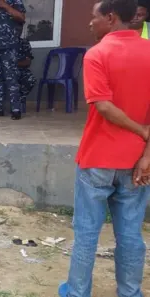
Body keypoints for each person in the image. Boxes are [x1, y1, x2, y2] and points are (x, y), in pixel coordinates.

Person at [57, 1, 150, 297]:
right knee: (131, 235)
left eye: (93, 17)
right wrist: (147, 153)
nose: (89, 23)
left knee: (86, 234)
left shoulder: (97, 54)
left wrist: (141, 130)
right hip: (137, 162)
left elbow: (103, 105)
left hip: (97, 159)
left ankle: (76, 292)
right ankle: (130, 292)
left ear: (110, 18)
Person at [16, 33, 35, 109]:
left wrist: (13, 64)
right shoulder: (1, 41)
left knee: (31, 79)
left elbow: (28, 62)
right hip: (3, 70)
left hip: (19, 69)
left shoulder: (24, 42)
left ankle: (18, 102)